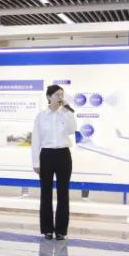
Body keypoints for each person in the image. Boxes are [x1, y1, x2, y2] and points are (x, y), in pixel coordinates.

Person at [31, 85, 77, 241]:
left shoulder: (66, 113)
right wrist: (35, 162)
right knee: (46, 193)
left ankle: (61, 231)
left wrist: (68, 111)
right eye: (57, 94)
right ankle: (47, 230)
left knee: (63, 193)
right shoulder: (41, 117)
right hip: (46, 155)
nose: (60, 97)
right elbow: (36, 140)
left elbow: (72, 130)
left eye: (62, 95)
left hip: (63, 154)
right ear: (48, 97)